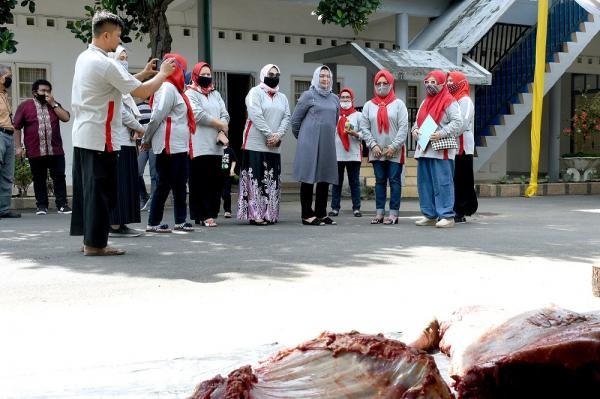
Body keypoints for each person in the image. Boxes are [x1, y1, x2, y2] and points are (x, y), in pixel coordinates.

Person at [70, 10, 176, 256]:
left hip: (85, 134)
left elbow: (122, 84)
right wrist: (163, 75)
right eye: (117, 36)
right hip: (101, 136)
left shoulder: (85, 57)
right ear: (106, 35)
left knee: (88, 192)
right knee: (101, 192)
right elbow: (139, 92)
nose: (119, 41)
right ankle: (96, 245)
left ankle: (89, 239)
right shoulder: (105, 63)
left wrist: (147, 74)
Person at [142, 53, 195, 233]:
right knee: (164, 184)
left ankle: (180, 220)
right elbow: (157, 116)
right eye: (182, 69)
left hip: (180, 145)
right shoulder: (167, 88)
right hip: (168, 144)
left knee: (180, 184)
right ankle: (153, 222)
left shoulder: (178, 90)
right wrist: (147, 139)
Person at [237, 64, 290, 225]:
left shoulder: (282, 97)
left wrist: (278, 136)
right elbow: (255, 114)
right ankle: (255, 214)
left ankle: (270, 213)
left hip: (274, 145)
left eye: (276, 74)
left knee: (271, 179)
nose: (273, 77)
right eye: (270, 73)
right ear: (263, 75)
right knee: (256, 178)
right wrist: (270, 134)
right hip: (255, 144)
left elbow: (287, 117)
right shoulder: (255, 92)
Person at [411, 70, 462, 228]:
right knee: (424, 183)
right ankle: (430, 214)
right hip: (424, 148)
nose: (430, 85)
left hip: (442, 150)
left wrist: (441, 133)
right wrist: (414, 131)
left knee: (443, 183)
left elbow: (458, 123)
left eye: (434, 82)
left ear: (442, 83)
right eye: (427, 82)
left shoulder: (450, 101)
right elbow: (417, 122)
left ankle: (446, 215)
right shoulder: (424, 102)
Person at [12, 79, 71, 216]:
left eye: (48, 91)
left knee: (59, 177)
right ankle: (42, 206)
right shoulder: (25, 106)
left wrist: (53, 104)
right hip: (35, 151)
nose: (46, 93)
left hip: (55, 150)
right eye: (43, 91)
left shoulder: (54, 105)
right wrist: (18, 147)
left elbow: (66, 118)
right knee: (39, 178)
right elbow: (16, 127)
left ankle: (62, 205)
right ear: (34, 92)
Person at [291, 65, 339, 226]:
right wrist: (304, 138)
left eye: (327, 76)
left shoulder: (335, 98)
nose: (325, 79)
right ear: (316, 77)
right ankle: (307, 214)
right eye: (322, 76)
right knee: (308, 177)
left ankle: (321, 212)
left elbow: (335, 120)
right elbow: (295, 120)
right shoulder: (308, 95)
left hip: (327, 143)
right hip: (309, 143)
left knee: (324, 177)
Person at [361, 70, 409, 225]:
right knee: (380, 181)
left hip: (394, 151)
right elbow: (364, 128)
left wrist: (394, 147)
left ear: (390, 84)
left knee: (395, 181)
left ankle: (393, 214)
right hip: (377, 151)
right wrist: (373, 145)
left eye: (385, 83)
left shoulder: (399, 104)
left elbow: (403, 128)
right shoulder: (369, 105)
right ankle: (379, 213)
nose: (381, 86)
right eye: (378, 84)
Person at [107, 45, 145, 237]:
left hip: (128, 141)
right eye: (121, 58)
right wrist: (139, 127)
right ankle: (114, 224)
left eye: (126, 57)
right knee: (119, 184)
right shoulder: (113, 82)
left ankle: (121, 223)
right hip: (118, 140)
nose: (125, 61)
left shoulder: (122, 84)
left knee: (127, 183)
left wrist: (135, 128)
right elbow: (120, 112)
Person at [185, 61, 230, 227]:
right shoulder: (190, 94)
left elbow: (225, 114)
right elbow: (197, 115)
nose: (206, 77)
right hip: (198, 145)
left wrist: (221, 128)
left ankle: (210, 212)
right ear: (196, 76)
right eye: (202, 75)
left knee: (215, 181)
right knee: (200, 181)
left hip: (216, 146)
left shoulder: (215, 94)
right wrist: (220, 125)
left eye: (208, 74)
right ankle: (202, 214)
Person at [447, 71, 478, 223]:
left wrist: (447, 132)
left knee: (462, 177)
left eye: (452, 81)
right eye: (448, 80)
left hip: (463, 145)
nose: (449, 83)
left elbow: (463, 123)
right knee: (454, 177)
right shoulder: (450, 100)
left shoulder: (465, 100)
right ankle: (454, 207)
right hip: (452, 144)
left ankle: (461, 209)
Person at [329, 87, 363, 218]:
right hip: (336, 154)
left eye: (347, 97)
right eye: (342, 97)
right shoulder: (334, 115)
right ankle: (335, 208)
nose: (345, 100)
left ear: (352, 99)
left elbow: (364, 133)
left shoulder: (358, 115)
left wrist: (355, 133)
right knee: (336, 182)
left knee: (354, 182)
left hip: (353, 154)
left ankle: (356, 208)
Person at [0, 64, 21, 219]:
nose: (10, 79)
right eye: (8, 76)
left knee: (7, 175)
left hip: (8, 135)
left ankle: (4, 209)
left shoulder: (5, 94)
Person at [136, 95, 156, 211]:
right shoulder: (137, 107)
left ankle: (152, 201)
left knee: (154, 174)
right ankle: (144, 197)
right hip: (141, 144)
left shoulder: (155, 106)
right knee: (137, 171)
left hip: (154, 143)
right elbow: (134, 125)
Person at [221, 143, 237, 218]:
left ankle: (227, 210)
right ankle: (212, 211)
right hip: (217, 175)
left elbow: (234, 160)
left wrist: (232, 169)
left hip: (227, 175)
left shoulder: (229, 150)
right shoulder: (216, 149)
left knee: (226, 193)